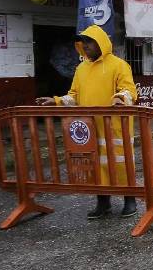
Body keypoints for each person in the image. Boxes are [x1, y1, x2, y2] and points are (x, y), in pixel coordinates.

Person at [36, 25, 139, 219]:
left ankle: (130, 199)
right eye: (83, 42)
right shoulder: (81, 68)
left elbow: (129, 90)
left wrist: (119, 98)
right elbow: (74, 95)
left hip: (114, 127)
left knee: (120, 163)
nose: (86, 45)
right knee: (95, 166)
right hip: (90, 129)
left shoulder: (119, 65)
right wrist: (57, 100)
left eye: (90, 41)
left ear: (101, 42)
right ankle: (103, 203)